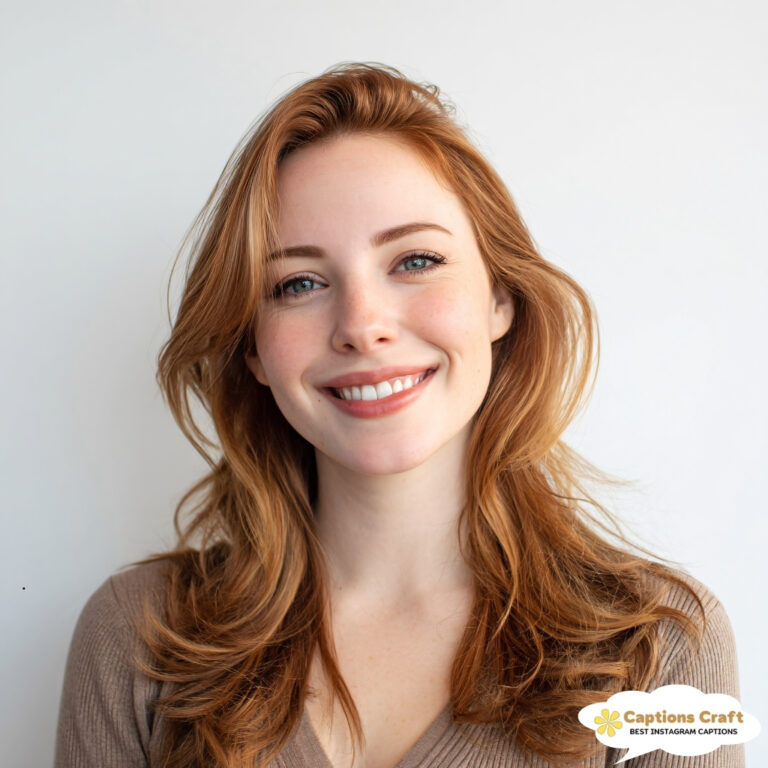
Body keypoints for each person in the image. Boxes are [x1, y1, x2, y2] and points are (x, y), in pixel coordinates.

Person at [54, 62, 743, 768]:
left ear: (500, 299)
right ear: (252, 348)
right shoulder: (137, 636)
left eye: (414, 261)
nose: (363, 325)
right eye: (299, 282)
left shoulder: (663, 648)